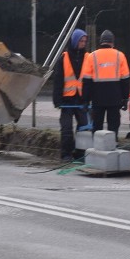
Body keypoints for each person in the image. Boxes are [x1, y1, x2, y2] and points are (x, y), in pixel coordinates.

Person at [81, 29, 130, 140]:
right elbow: (125, 80)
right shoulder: (120, 56)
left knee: (97, 125)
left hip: (97, 98)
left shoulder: (92, 57)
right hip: (115, 97)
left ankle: (97, 149)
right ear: (112, 43)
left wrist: (85, 100)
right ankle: (112, 147)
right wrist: (125, 98)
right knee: (113, 125)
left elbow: (87, 81)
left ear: (101, 42)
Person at [52, 28, 90, 161]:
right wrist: (57, 100)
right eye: (81, 41)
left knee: (84, 128)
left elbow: (90, 80)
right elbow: (58, 80)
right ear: (75, 41)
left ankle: (80, 153)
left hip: (81, 100)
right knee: (67, 129)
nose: (83, 43)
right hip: (67, 100)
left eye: (85, 41)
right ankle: (66, 154)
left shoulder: (88, 57)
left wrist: (88, 99)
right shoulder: (64, 58)